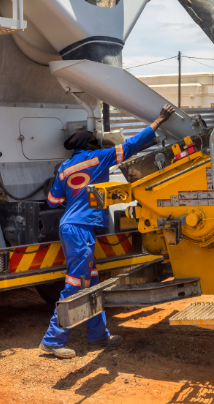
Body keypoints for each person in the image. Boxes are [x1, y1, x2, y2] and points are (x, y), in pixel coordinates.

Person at [40, 103, 176, 358]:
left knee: (90, 281)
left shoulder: (65, 167)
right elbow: (132, 145)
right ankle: (52, 340)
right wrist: (158, 121)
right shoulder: (99, 158)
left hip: (71, 227)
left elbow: (53, 201)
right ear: (92, 145)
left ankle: (98, 335)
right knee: (75, 282)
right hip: (80, 229)